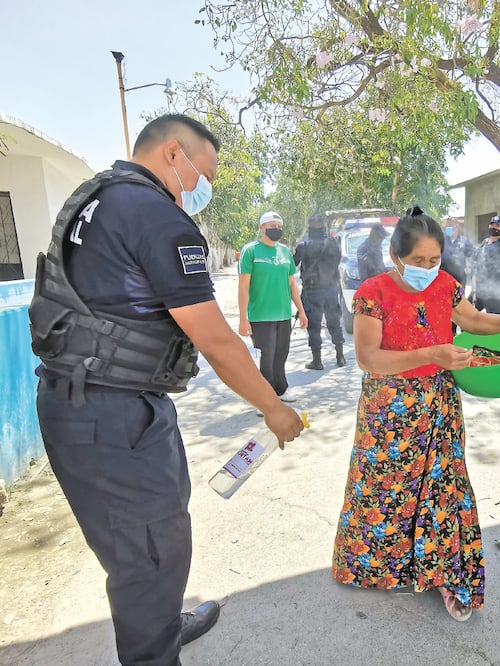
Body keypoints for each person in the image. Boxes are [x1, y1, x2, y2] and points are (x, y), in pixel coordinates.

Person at [29, 114, 305, 666]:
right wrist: (273, 408)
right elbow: (216, 339)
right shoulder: (153, 213)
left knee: (154, 537)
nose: (204, 188)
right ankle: (154, 651)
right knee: (149, 554)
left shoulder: (95, 198)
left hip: (92, 403)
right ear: (174, 154)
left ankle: (161, 622)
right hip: (113, 415)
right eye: (205, 173)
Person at [331, 206, 500, 622]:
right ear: (395, 256)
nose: (428, 268)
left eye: (434, 260)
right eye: (418, 260)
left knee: (444, 489)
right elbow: (368, 358)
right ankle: (378, 567)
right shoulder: (373, 293)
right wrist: (432, 354)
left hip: (439, 402)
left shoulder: (445, 285)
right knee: (385, 492)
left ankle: (447, 574)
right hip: (389, 410)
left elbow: (474, 321)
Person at [238, 211, 309, 403]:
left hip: (283, 314)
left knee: (281, 355)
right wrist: (243, 319)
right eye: (272, 226)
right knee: (266, 358)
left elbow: (292, 284)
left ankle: (280, 389)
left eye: (279, 227)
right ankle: (265, 399)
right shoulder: (250, 251)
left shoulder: (285, 252)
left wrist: (301, 311)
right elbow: (243, 287)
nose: (276, 229)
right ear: (261, 228)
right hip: (260, 316)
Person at [293, 213, 346, 370]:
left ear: (310, 228)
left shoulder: (303, 246)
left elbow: (293, 263)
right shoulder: (333, 244)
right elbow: (337, 261)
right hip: (331, 289)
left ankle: (317, 361)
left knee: (314, 326)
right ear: (324, 227)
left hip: (312, 291)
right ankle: (340, 357)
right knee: (334, 322)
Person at [473, 215, 500, 314]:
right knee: (471, 315)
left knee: (494, 318)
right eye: (492, 225)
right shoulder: (484, 243)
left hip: (494, 292)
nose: (494, 227)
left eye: (498, 226)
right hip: (480, 289)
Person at [440, 217, 475, 288]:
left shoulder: (464, 241)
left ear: (456, 227)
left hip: (459, 279)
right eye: (447, 226)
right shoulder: (441, 241)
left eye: (450, 225)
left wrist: (470, 271)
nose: (447, 228)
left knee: (459, 295)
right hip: (443, 278)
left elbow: (471, 257)